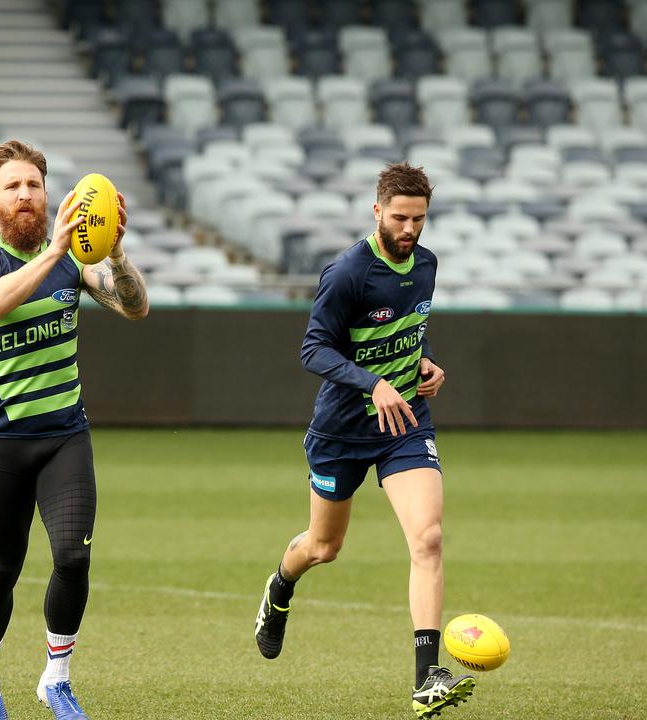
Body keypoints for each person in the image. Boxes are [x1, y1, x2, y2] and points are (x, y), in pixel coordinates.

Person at [252, 163, 475, 719]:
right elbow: (314, 350)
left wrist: (423, 364)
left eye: (419, 219)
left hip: (405, 423)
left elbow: (403, 328)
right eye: (400, 217)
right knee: (323, 548)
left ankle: (427, 680)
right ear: (377, 211)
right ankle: (279, 587)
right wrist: (372, 382)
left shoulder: (426, 264)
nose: (410, 229)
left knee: (428, 539)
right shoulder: (347, 273)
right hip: (341, 433)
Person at [0, 140, 149, 720]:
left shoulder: (75, 263)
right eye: (12, 187)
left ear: (47, 195)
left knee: (72, 557)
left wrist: (115, 254)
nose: (24, 195)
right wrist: (56, 250)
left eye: (33, 185)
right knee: (2, 567)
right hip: (2, 444)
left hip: (65, 437)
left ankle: (55, 679)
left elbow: (135, 308)